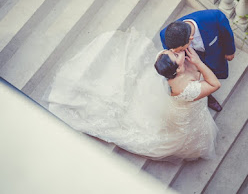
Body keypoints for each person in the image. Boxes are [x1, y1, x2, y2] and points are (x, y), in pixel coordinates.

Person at [44, 28, 219, 164]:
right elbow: (214, 84)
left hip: (174, 104)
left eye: (173, 52)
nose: (174, 51)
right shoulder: (186, 89)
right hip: (184, 112)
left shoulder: (162, 61)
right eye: (175, 54)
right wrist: (197, 62)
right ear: (179, 69)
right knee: (188, 130)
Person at [160, 9, 236, 112]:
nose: (176, 52)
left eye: (181, 50)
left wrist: (230, 51)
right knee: (199, 87)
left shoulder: (215, 18)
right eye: (176, 53)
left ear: (191, 38)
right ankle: (208, 96)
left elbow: (227, 34)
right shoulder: (164, 35)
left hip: (214, 55)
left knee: (216, 70)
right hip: (190, 68)